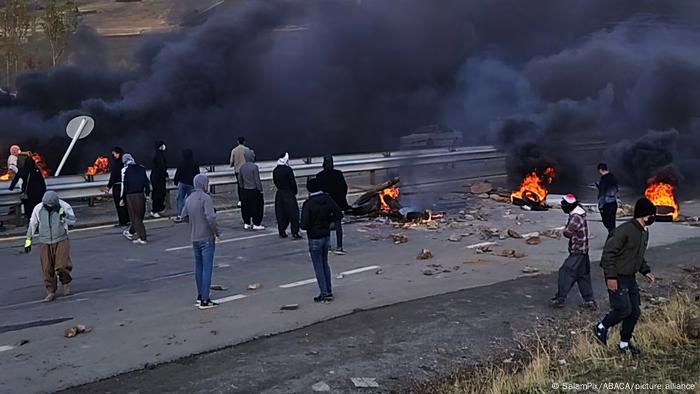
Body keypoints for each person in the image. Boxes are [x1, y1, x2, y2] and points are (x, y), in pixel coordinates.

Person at [594, 197, 657, 355]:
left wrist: (646, 271)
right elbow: (608, 255)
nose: (653, 219)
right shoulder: (624, 231)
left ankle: (624, 344)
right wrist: (611, 278)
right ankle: (601, 327)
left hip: (630, 277)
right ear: (644, 215)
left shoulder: (644, 232)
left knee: (634, 312)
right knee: (623, 309)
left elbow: (637, 255)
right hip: (618, 276)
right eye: (651, 216)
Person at [24, 191, 76, 302]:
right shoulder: (38, 208)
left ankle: (66, 283)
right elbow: (33, 223)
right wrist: (28, 240)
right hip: (44, 241)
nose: (49, 208)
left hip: (61, 239)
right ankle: (50, 291)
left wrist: (63, 217)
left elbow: (73, 221)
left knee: (62, 265)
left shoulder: (65, 206)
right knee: (47, 268)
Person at [181, 174, 221, 309]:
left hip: (194, 237)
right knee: (207, 268)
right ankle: (205, 299)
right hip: (207, 237)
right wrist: (217, 232)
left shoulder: (189, 198)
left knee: (198, 267)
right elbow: (210, 217)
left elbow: (183, 217)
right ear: (204, 184)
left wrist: (193, 223)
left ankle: (200, 295)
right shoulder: (205, 198)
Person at [301, 178, 343, 303]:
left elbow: (304, 225)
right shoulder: (327, 199)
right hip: (326, 235)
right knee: (325, 263)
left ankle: (324, 293)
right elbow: (338, 214)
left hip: (314, 237)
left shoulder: (308, 204)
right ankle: (328, 290)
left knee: (318, 265)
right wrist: (328, 222)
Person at [550, 194, 595, 309]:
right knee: (582, 276)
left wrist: (563, 230)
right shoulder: (579, 213)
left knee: (565, 273)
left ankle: (560, 299)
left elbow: (568, 232)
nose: (562, 207)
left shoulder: (575, 217)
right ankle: (589, 301)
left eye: (563, 205)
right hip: (583, 251)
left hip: (578, 251)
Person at [316, 155, 349, 255]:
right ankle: (339, 246)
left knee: (326, 225)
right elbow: (344, 187)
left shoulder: (319, 175)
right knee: (338, 224)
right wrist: (341, 199)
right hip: (337, 203)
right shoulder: (338, 174)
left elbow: (318, 190)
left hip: (325, 204)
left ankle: (328, 246)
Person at [121, 154, 150, 245]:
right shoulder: (142, 168)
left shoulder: (127, 170)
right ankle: (131, 232)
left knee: (135, 216)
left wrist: (122, 198)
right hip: (141, 194)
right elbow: (146, 182)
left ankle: (143, 237)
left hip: (131, 196)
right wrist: (147, 193)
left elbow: (125, 185)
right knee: (140, 215)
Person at [9, 155, 46, 223]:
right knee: (36, 208)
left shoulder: (22, 170)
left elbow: (15, 179)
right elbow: (42, 182)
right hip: (37, 193)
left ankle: (30, 221)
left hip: (27, 193)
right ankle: (37, 222)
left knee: (28, 209)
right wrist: (44, 191)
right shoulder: (36, 170)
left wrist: (11, 188)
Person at [273, 152, 302, 239]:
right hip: (288, 193)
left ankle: (282, 231)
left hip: (279, 193)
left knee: (281, 213)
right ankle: (295, 232)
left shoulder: (275, 170)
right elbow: (292, 182)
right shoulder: (288, 170)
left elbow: (275, 182)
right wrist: (294, 192)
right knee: (293, 213)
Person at [238, 149, 264, 230]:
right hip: (254, 190)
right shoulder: (254, 167)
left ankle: (247, 222)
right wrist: (260, 189)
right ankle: (256, 223)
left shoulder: (242, 167)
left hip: (245, 190)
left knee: (245, 207)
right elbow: (257, 180)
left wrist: (242, 188)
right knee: (257, 207)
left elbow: (240, 180)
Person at [105, 147, 130, 227]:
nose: (113, 155)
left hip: (118, 186)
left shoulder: (116, 164)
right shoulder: (125, 162)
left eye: (114, 153)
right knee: (125, 203)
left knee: (119, 204)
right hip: (125, 185)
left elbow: (113, 176)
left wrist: (108, 187)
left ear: (117, 153)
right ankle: (128, 219)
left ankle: (123, 221)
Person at [173, 149, 200, 223]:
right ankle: (191, 214)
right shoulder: (194, 164)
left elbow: (178, 173)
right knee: (191, 200)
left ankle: (180, 215)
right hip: (191, 184)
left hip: (182, 183)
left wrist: (175, 181)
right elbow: (197, 174)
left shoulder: (181, 163)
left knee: (180, 199)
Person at [596, 163, 619, 235]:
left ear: (600, 170)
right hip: (612, 203)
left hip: (607, 204)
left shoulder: (605, 180)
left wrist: (600, 206)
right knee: (611, 223)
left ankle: (612, 239)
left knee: (607, 223)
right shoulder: (612, 177)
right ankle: (613, 237)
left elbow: (603, 194)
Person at [230, 137, 253, 208]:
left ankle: (241, 201)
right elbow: (251, 159)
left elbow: (231, 162)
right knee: (248, 184)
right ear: (244, 142)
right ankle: (248, 199)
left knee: (240, 186)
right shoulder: (247, 150)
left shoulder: (234, 150)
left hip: (238, 170)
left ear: (237, 142)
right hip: (246, 170)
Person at [150, 140, 168, 218]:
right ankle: (154, 210)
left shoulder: (156, 154)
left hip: (156, 177)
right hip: (158, 178)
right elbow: (162, 167)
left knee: (158, 194)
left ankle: (159, 208)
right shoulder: (159, 155)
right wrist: (165, 174)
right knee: (158, 194)